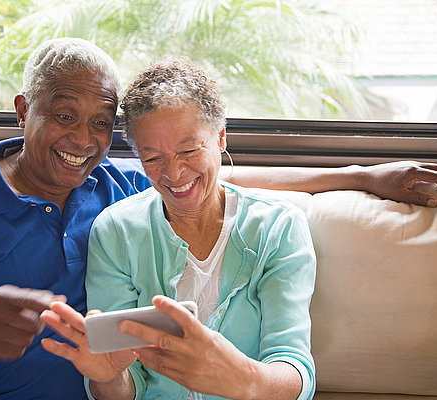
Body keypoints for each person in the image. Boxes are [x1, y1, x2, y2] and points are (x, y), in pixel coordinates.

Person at [0, 37, 437, 399]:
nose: (82, 140)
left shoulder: (111, 186)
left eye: (100, 123)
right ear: (22, 111)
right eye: (64, 115)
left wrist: (364, 176)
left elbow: (222, 181)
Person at [40, 59, 316, 400]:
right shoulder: (117, 232)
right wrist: (108, 377)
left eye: (188, 150)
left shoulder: (277, 227)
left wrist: (243, 379)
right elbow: (128, 387)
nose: (173, 174)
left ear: (220, 137)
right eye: (152, 158)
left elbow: (295, 369)